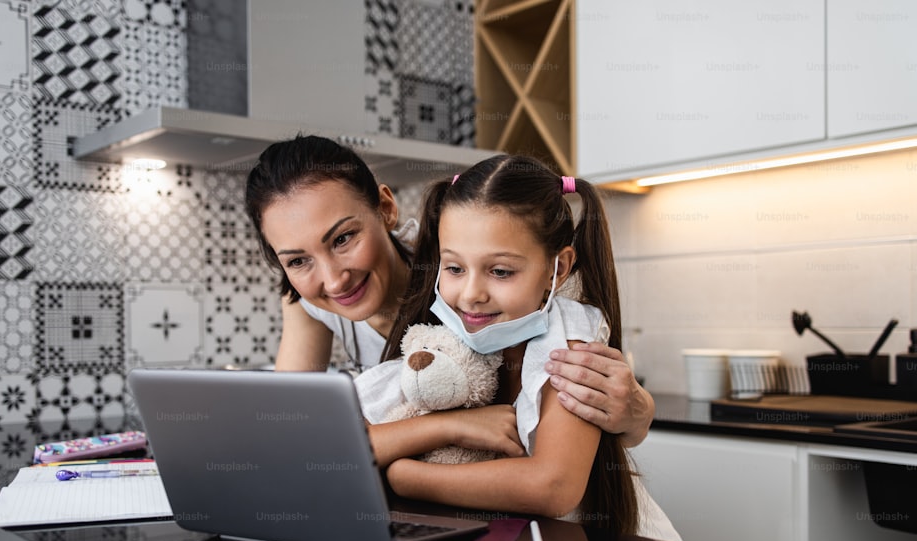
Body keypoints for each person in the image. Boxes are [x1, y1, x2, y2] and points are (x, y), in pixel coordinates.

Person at [353, 154, 745, 541]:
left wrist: (407, 474)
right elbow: (347, 438)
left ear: (557, 267)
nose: (470, 291)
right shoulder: (443, 343)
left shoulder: (572, 343)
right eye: (454, 267)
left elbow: (552, 485)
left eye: (500, 270)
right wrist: (441, 428)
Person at [244, 135, 655, 464]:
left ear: (385, 208)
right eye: (298, 261)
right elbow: (293, 440)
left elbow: (545, 441)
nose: (333, 280)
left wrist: (637, 414)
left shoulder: (474, 286)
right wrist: (449, 427)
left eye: (343, 238)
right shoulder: (306, 304)